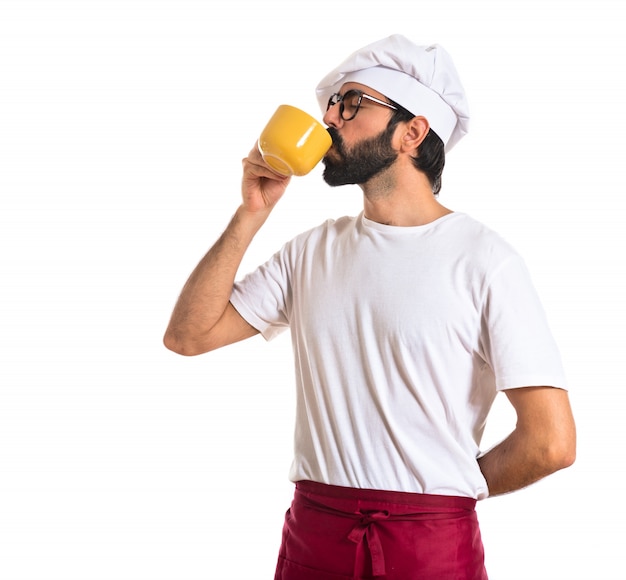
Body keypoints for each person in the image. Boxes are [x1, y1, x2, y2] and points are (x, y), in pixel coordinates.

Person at [163, 34, 576, 580]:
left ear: (413, 132)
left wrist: (448, 487)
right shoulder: (310, 251)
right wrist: (250, 213)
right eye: (331, 104)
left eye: (351, 102)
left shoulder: (485, 261)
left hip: (431, 546)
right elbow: (188, 336)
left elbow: (551, 442)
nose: (331, 118)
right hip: (315, 536)